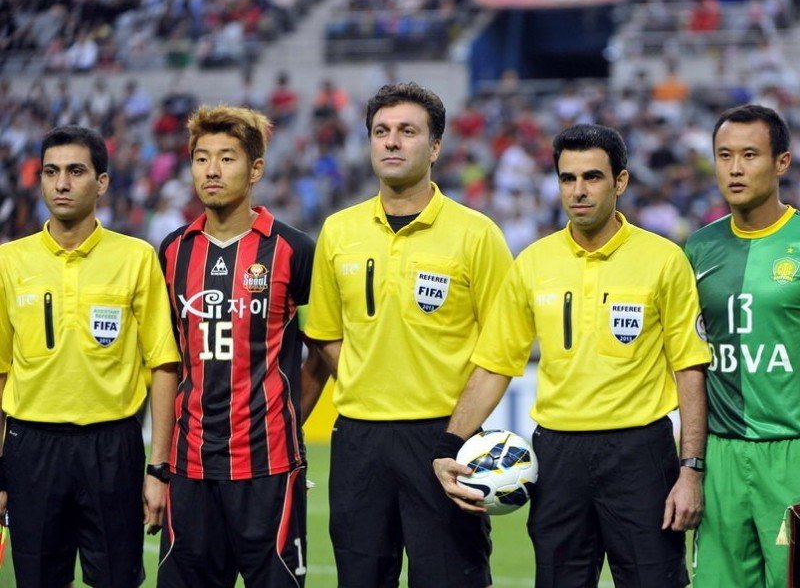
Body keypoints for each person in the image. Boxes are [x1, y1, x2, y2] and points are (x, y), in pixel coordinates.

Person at [433, 123, 711, 587]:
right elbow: (495, 365)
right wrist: (449, 446)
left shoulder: (663, 260)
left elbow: (690, 369)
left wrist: (691, 471)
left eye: (592, 177)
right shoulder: (533, 263)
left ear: (620, 181)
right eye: (568, 178)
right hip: (558, 456)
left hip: (640, 453)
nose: (578, 190)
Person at [304, 82, 512, 587]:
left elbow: (502, 348)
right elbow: (325, 333)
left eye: (407, 131)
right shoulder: (338, 231)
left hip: (444, 440)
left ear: (435, 147)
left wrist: (455, 436)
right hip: (358, 441)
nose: (392, 142)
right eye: (381, 132)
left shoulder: (477, 234)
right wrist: (367, 383)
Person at [0, 125, 180, 588]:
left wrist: (158, 469)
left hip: (112, 447)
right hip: (30, 447)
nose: (61, 183)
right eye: (51, 172)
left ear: (101, 183)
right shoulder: (8, 262)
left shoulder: (136, 257)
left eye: (76, 171)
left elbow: (164, 363)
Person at [684, 105, 800, 588]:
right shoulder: (697, 249)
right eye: (724, 156)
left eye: (749, 155)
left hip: (798, 452)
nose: (735, 169)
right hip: (722, 455)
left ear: (782, 162)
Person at [156, 105, 320, 588]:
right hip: (190, 467)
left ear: (255, 169)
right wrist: (157, 468)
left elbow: (322, 351)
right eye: (201, 158)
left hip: (269, 466)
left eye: (227, 158)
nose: (211, 170)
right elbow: (168, 360)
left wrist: (287, 418)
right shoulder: (172, 252)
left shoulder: (293, 250)